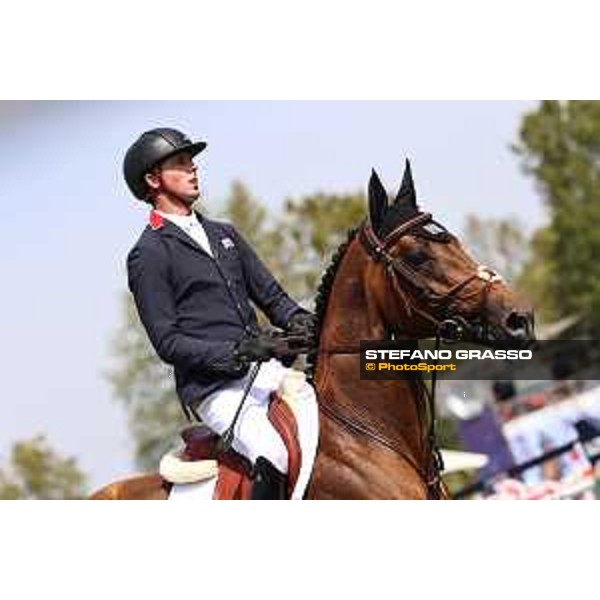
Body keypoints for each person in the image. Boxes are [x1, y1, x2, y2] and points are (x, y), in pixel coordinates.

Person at [123, 128, 317, 499]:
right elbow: (168, 342)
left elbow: (273, 298)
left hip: (267, 371)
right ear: (153, 179)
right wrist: (236, 353)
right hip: (216, 389)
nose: (193, 169)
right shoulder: (148, 254)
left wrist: (301, 321)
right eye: (180, 163)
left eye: (192, 161)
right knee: (271, 451)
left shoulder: (223, 233)